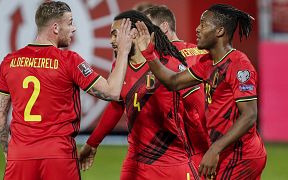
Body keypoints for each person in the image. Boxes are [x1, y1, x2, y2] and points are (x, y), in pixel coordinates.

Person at [0, 1, 135, 180]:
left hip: (20, 155)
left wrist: (8, 149)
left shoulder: (9, 61)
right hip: (58, 154)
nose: (73, 28)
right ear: (55, 27)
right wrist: (123, 51)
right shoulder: (69, 60)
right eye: (70, 23)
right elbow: (112, 92)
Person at [136, 4, 267, 179]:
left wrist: (214, 149)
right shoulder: (207, 62)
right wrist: (149, 53)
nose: (197, 29)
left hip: (241, 154)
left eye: (204, 25)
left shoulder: (239, 64)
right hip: (224, 151)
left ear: (220, 31)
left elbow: (250, 115)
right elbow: (173, 82)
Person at [79, 10, 200, 180]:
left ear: (133, 33)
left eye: (115, 34)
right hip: (135, 162)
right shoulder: (119, 66)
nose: (111, 40)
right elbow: (117, 105)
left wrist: (207, 151)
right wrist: (93, 143)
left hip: (172, 162)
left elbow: (197, 109)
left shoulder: (169, 63)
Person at [143, 5, 210, 168]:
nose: (144, 35)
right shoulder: (202, 52)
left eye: (148, 28)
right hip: (213, 138)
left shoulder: (157, 61)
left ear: (164, 27)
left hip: (182, 149)